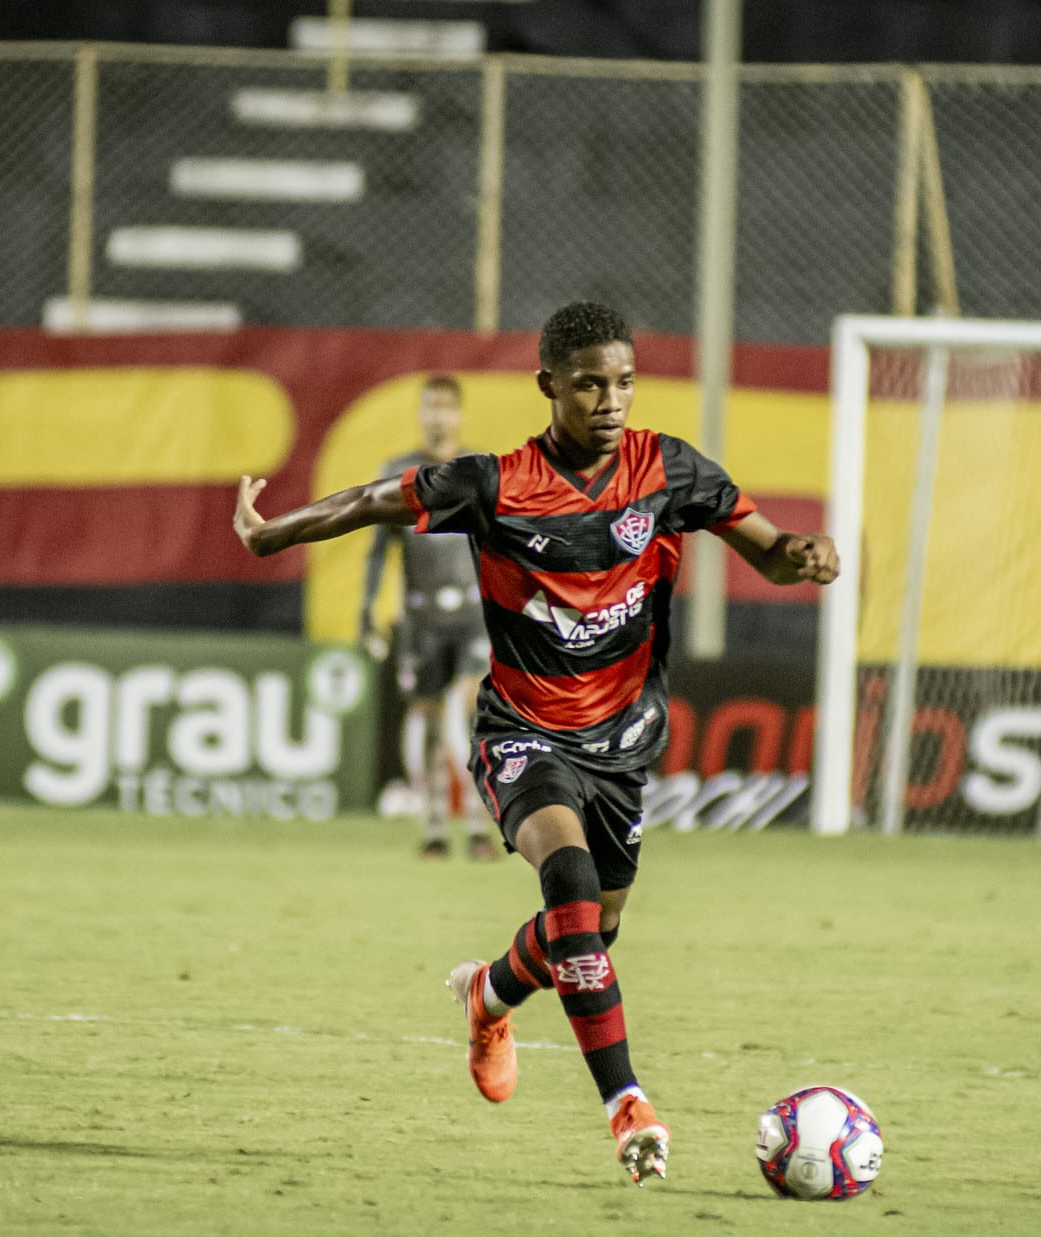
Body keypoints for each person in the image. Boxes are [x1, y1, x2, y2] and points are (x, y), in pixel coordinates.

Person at [233, 301, 838, 1185]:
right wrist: (272, 530)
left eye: (624, 380)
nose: (610, 398)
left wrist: (803, 552)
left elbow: (768, 552)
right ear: (549, 385)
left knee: (595, 931)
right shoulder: (495, 484)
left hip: (624, 742)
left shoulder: (668, 470)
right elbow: (375, 500)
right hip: (523, 733)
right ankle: (627, 1106)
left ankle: (489, 993)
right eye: (589, 382)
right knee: (570, 885)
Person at [357, 375, 501, 862]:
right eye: (430, 408)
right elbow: (378, 551)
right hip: (419, 618)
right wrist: (366, 613)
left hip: (471, 613)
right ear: (420, 415)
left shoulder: (479, 470)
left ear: (460, 415)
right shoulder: (398, 472)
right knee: (431, 723)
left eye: (446, 408)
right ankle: (436, 827)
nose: (438, 417)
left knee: (466, 713)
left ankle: (480, 826)